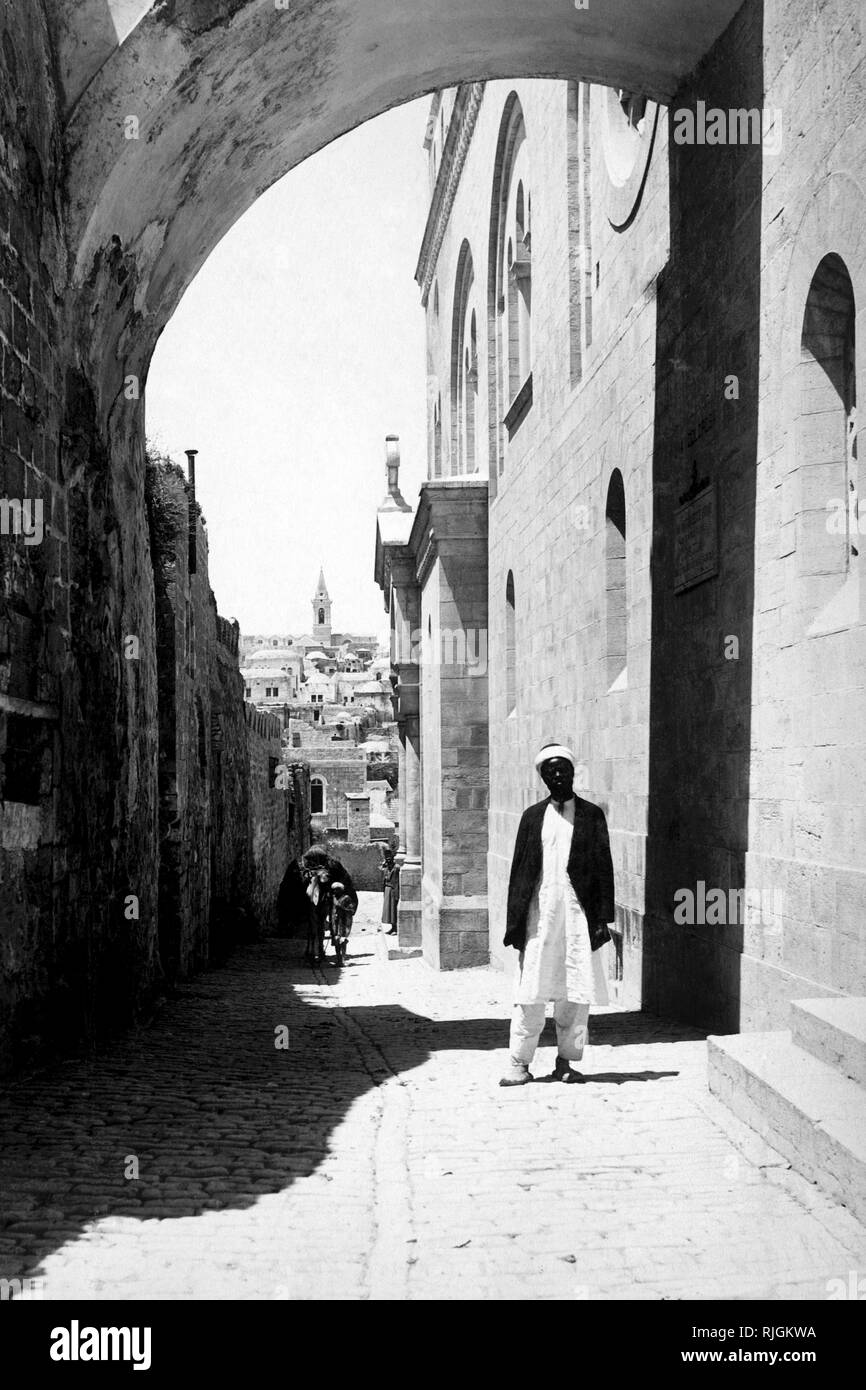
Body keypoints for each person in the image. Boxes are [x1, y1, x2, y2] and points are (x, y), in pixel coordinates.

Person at [500, 742, 615, 1087]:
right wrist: (516, 924)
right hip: (540, 917)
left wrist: (602, 919)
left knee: (578, 996)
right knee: (530, 994)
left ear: (572, 772)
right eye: (550, 771)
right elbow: (519, 872)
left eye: (563, 769)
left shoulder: (592, 815)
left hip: (578, 919)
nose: (558, 775)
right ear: (543, 777)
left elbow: (603, 869)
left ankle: (569, 1060)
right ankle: (519, 1062)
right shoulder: (532, 817)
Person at [379, 846, 399, 935]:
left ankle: (395, 928)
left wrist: (397, 893)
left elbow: (398, 881)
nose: (388, 860)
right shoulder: (386, 868)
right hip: (387, 889)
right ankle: (392, 927)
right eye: (386, 858)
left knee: (393, 910)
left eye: (389, 858)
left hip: (393, 890)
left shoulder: (396, 868)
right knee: (388, 911)